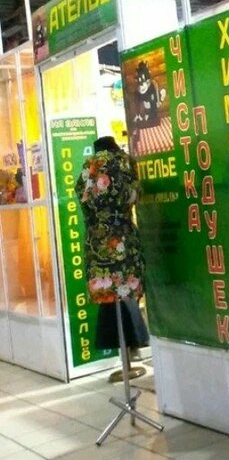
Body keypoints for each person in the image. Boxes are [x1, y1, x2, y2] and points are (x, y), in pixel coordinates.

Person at [75, 136, 149, 353]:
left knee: (111, 297)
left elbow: (85, 200)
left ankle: (125, 348)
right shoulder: (127, 162)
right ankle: (133, 345)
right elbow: (133, 195)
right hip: (124, 239)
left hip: (98, 243)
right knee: (126, 292)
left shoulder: (90, 165)